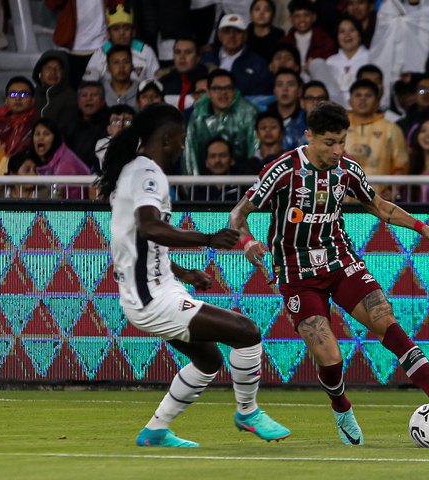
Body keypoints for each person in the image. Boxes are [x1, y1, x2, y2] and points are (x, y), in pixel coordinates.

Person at [228, 102, 429, 446]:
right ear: (310, 137)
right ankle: (342, 408)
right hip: (297, 274)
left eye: (341, 142)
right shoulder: (283, 170)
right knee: (330, 357)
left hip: (341, 262)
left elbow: (378, 206)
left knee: (386, 322)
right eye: (329, 142)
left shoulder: (347, 170)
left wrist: (422, 228)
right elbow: (238, 214)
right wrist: (247, 243)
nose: (337, 150)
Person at [97, 103, 290, 448]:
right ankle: (247, 412)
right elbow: (150, 227)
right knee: (246, 332)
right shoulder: (147, 174)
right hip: (152, 299)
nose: (184, 147)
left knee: (208, 359)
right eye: (182, 139)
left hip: (153, 291)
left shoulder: (133, 170)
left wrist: (185, 273)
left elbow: (139, 244)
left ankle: (156, 430)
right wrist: (208, 239)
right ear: (168, 138)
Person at [183, 69, 258, 176]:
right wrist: (193, 188)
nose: (223, 92)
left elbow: (255, 150)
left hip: (243, 179)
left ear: (234, 91)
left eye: (228, 88)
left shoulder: (248, 113)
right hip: (205, 180)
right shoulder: (197, 116)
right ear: (208, 92)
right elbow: (190, 155)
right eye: (217, 88)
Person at [345, 79, 409, 200]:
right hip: (342, 202)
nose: (363, 99)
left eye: (368, 95)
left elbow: (401, 166)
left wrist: (392, 190)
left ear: (377, 102)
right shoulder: (338, 127)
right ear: (350, 101)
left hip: (378, 204)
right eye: (358, 95)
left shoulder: (391, 129)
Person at [83, 4, 160, 83]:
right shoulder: (100, 53)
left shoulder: (146, 51)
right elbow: (89, 84)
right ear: (108, 34)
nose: (122, 33)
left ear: (133, 32)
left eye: (126, 28)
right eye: (116, 29)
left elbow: (155, 84)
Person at [201, 14, 274, 96]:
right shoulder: (205, 58)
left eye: (237, 31)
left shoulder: (258, 63)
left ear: (245, 35)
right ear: (219, 35)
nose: (232, 35)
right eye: (227, 31)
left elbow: (263, 95)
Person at [30, 118, 91, 199]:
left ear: (55, 138)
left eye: (46, 134)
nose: (41, 138)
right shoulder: (31, 160)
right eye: (37, 134)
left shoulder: (66, 163)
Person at [0, 76, 40, 157]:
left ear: (32, 100)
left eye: (24, 94)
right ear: (6, 99)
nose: (18, 98)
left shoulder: (37, 124)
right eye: (13, 94)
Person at [33, 50, 79, 130]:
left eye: (58, 69)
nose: (53, 72)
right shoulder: (31, 93)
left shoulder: (71, 97)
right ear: (40, 72)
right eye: (48, 68)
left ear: (64, 73)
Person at [95, 104, 136, 169]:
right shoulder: (102, 144)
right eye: (116, 121)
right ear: (109, 129)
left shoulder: (141, 145)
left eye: (127, 121)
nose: (121, 125)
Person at [102, 45, 140, 110]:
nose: (121, 66)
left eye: (126, 62)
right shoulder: (101, 90)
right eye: (116, 62)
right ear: (108, 68)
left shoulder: (141, 90)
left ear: (132, 66)